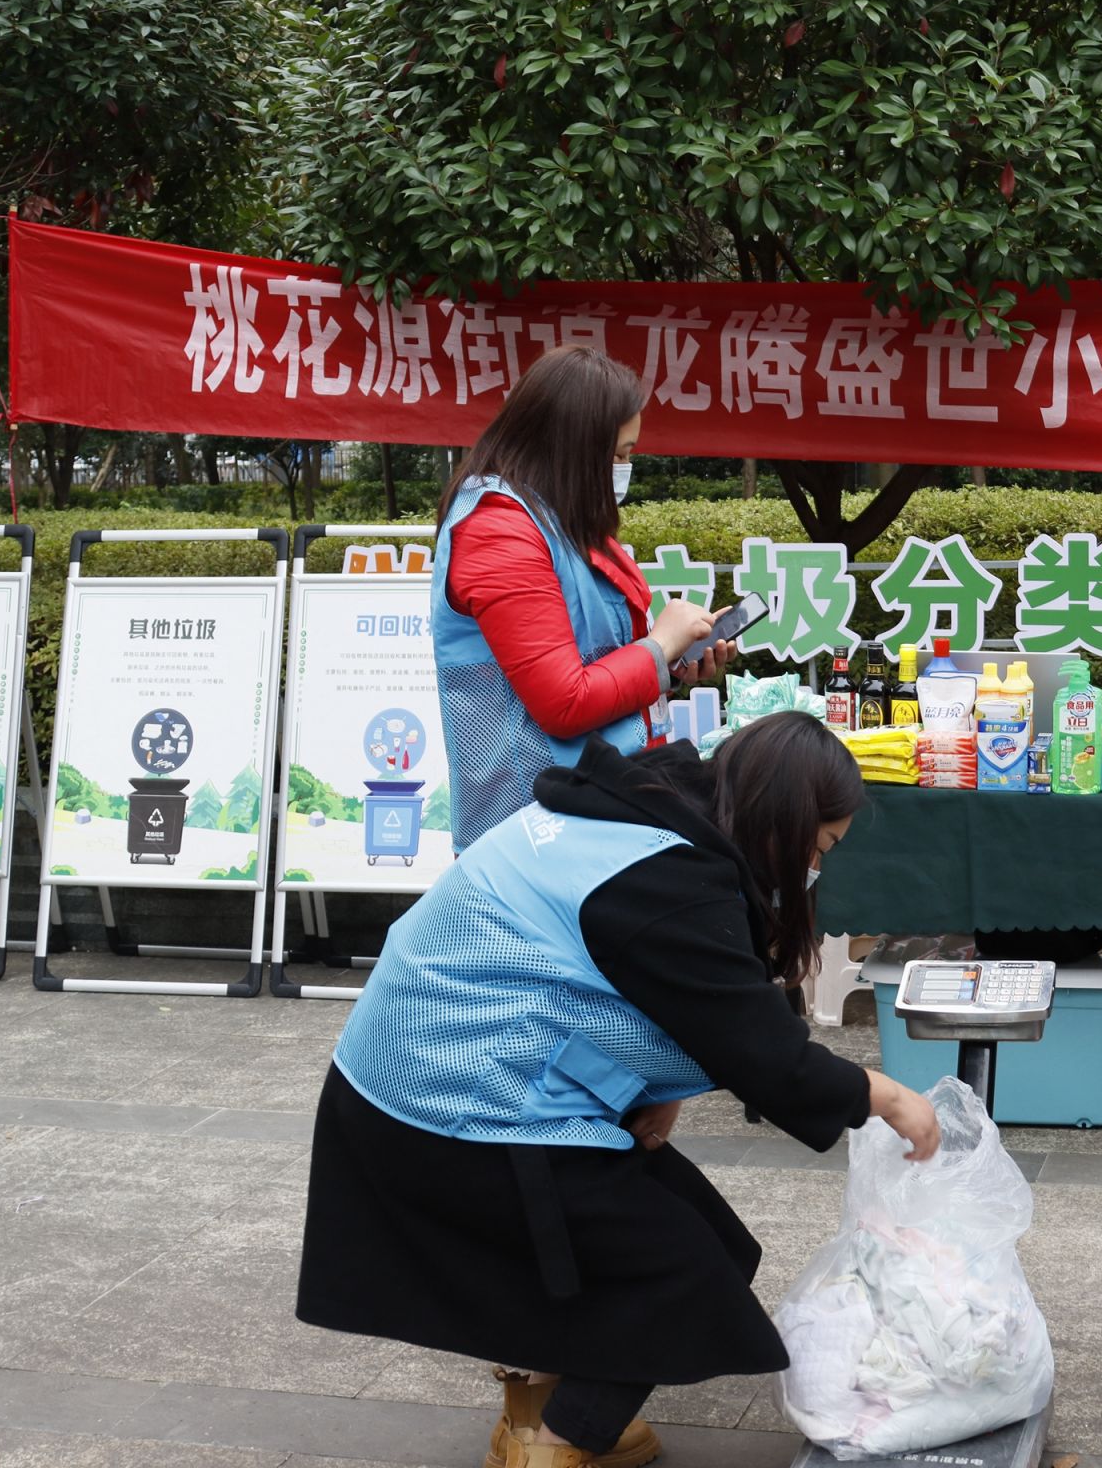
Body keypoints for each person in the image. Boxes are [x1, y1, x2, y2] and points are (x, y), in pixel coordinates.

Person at [296, 713, 941, 1468]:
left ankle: (533, 1417)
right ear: (784, 821)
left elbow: (632, 982)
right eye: (820, 848)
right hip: (459, 1109)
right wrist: (890, 1098)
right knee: (682, 1267)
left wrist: (659, 1083)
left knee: (705, 1238)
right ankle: (559, 1445)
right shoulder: (668, 877)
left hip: (428, 1080)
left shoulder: (648, 811)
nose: (815, 871)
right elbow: (766, 1055)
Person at [433, 344, 735, 849]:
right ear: (569, 445)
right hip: (531, 826)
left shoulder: (560, 516)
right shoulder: (499, 531)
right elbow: (565, 701)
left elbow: (599, 658)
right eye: (617, 454)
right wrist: (658, 647)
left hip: (596, 804)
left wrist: (674, 664)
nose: (623, 468)